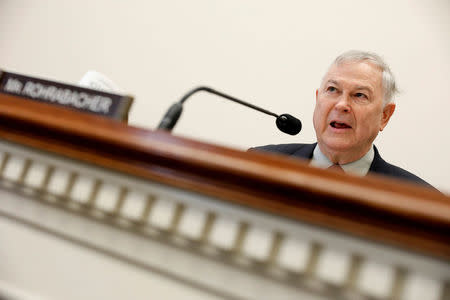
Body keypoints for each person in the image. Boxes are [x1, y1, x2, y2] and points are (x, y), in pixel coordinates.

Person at [251, 50, 436, 189]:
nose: (341, 105)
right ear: (317, 99)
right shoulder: (257, 164)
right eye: (332, 90)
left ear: (385, 116)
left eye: (360, 95)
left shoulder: (421, 198)